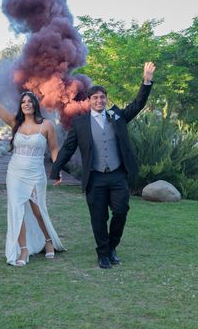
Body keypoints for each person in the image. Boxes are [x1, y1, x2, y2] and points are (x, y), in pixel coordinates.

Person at [50, 62, 156, 269]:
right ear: (89, 101)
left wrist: (146, 81)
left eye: (102, 97)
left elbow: (138, 104)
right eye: (95, 97)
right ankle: (103, 254)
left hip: (117, 175)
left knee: (121, 211)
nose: (99, 100)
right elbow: (68, 148)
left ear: (106, 100)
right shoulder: (80, 124)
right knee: (98, 218)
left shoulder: (117, 116)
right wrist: (56, 170)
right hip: (95, 177)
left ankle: (112, 247)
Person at [0, 72, 65, 266]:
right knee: (17, 211)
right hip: (15, 172)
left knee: (37, 210)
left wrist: (57, 170)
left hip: (35, 173)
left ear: (35, 105)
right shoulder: (15, 123)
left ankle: (48, 241)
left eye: (29, 101)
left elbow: (53, 149)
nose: (26, 104)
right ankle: (23, 250)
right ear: (21, 106)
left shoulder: (47, 126)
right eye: (23, 102)